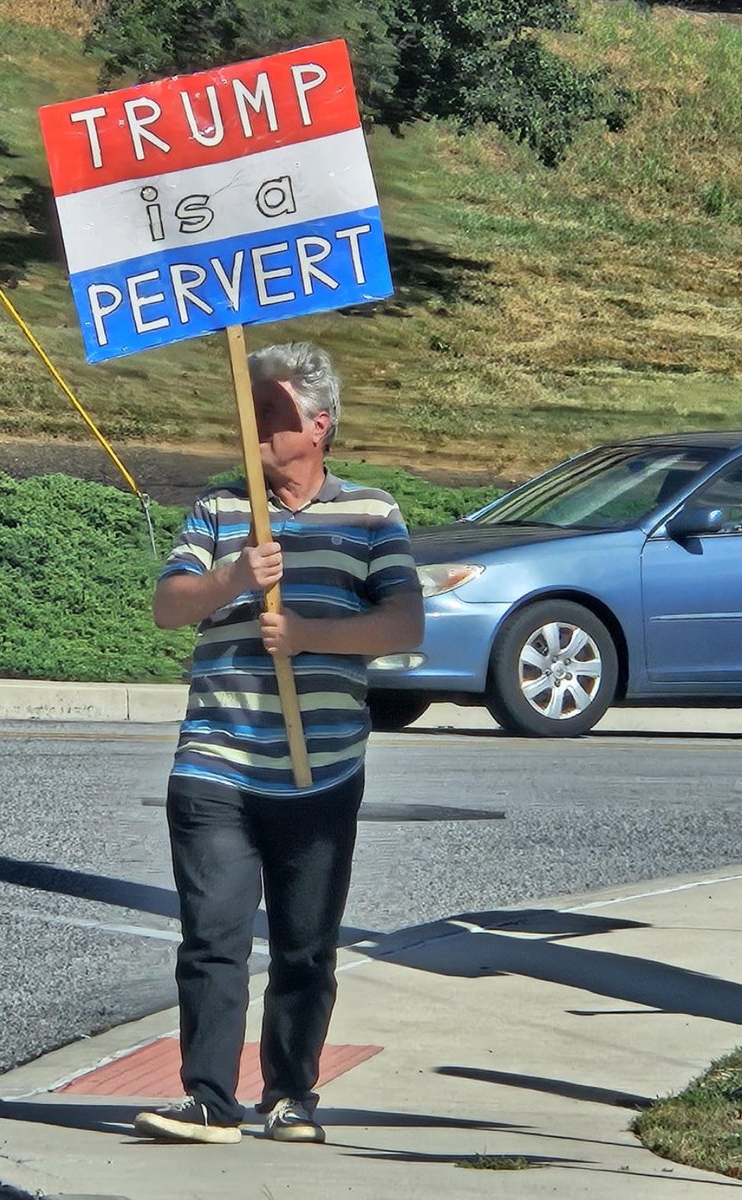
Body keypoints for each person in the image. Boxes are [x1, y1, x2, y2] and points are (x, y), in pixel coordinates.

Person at [134, 341, 423, 1145]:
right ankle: (208, 1099)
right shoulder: (220, 509)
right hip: (216, 759)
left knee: (305, 946)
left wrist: (306, 634)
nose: (253, 424)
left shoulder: (371, 513)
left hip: (321, 767)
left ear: (320, 425)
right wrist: (232, 579)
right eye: (247, 408)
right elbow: (168, 607)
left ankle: (291, 1095)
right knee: (213, 935)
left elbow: (404, 623)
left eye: (271, 411)